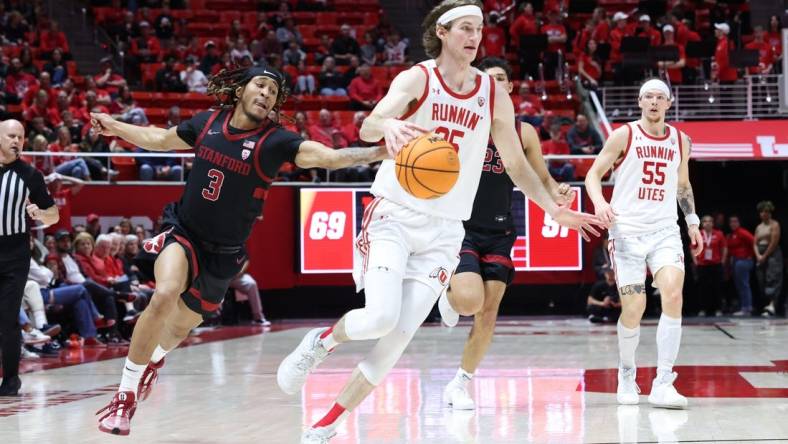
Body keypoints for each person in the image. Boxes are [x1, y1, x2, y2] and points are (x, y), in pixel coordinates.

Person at [275, 3, 599, 443]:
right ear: (443, 32)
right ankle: (320, 344)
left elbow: (516, 163)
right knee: (379, 319)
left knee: (397, 341)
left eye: (480, 30)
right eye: (465, 28)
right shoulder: (417, 78)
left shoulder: (491, 92)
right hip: (395, 212)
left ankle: (326, 425)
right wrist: (388, 125)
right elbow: (369, 126)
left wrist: (552, 208)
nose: (474, 37)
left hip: (446, 230)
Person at [90, 62, 389, 435]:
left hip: (225, 252)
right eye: (260, 86)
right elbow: (160, 139)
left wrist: (380, 153)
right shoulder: (208, 123)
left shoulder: (275, 141)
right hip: (183, 229)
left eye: (273, 92)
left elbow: (329, 158)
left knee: (178, 329)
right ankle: (125, 394)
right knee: (164, 293)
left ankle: (153, 361)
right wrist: (114, 126)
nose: (266, 94)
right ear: (241, 90)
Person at [439, 57, 575, 410]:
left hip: (500, 228)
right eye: (489, 79)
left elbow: (541, 176)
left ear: (510, 87)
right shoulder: (464, 121)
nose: (495, 84)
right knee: (470, 300)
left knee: (488, 311)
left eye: (501, 79)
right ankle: (448, 298)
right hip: (462, 225)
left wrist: (557, 191)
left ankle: (461, 383)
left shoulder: (524, 131)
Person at [585, 78, 704, 409]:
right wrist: (599, 203)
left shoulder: (681, 140)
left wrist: (692, 222)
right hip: (627, 232)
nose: (654, 102)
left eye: (660, 97)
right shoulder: (624, 134)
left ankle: (664, 381)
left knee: (674, 294)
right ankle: (627, 372)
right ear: (640, 101)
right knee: (633, 309)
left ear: (669, 103)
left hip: (665, 230)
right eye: (648, 97)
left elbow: (683, 185)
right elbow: (593, 175)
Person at [0, 119, 59, 396]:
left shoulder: (30, 175)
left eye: (21, 137)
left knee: (8, 317)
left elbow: (53, 214)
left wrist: (40, 214)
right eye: (11, 135)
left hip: (14, 255)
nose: (16, 141)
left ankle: (11, 378)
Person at [692, 215, 727, 316]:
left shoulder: (719, 234)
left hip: (716, 265)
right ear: (702, 224)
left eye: (710, 221)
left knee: (717, 288)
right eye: (705, 222)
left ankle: (718, 309)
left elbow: (724, 248)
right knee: (703, 288)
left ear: (713, 223)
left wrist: (723, 260)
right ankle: (703, 309)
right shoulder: (698, 234)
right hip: (702, 265)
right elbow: (692, 248)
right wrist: (695, 261)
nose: (707, 223)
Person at [754, 201, 782, 317]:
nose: (763, 214)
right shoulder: (759, 227)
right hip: (760, 253)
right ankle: (766, 304)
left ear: (770, 213)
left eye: (766, 211)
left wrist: (765, 255)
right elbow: (754, 243)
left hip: (771, 253)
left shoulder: (774, 225)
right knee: (762, 279)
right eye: (762, 212)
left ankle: (772, 305)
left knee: (773, 276)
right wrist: (758, 256)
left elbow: (774, 242)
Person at [727, 215, 755, 316]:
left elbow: (754, 241)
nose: (733, 224)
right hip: (736, 262)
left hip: (743, 261)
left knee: (744, 285)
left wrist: (750, 255)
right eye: (731, 222)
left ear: (739, 223)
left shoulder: (742, 232)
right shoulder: (731, 235)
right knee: (740, 286)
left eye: (735, 221)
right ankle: (744, 307)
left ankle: (747, 308)